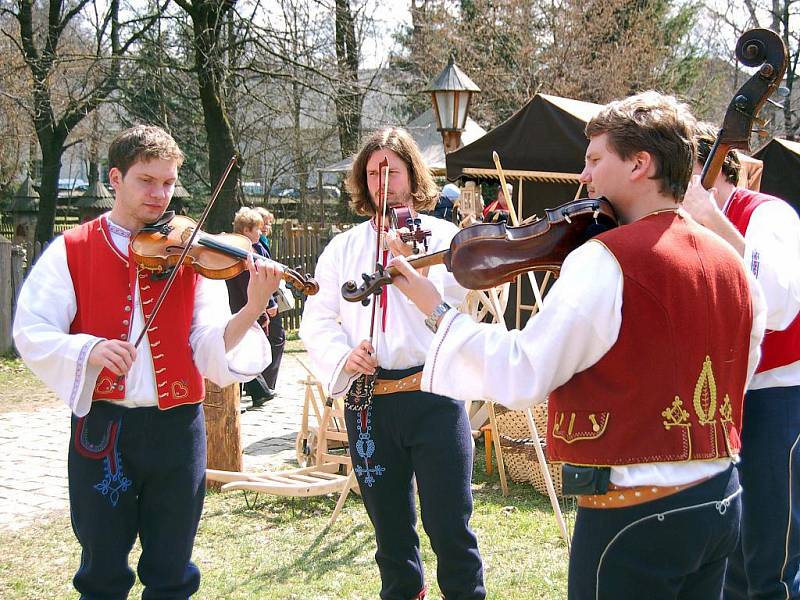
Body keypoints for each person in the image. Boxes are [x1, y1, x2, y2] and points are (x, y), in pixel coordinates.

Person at [389, 91, 767, 599]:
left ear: (640, 163)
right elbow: (742, 368)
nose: (584, 176)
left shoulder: (606, 258)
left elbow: (524, 371)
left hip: (636, 517)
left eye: (593, 160)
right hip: (721, 499)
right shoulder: (733, 261)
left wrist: (436, 310)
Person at [12, 125, 279, 599]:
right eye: (146, 181)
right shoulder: (71, 250)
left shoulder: (191, 252)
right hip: (104, 427)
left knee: (172, 571)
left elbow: (210, 348)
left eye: (169, 183)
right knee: (102, 571)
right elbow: (31, 331)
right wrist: (87, 349)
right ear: (116, 178)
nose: (160, 195)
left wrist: (253, 308)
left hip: (177, 429)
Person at [299, 127, 485, 600]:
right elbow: (318, 317)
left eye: (393, 170)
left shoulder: (442, 238)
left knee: (449, 524)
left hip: (434, 396)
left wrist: (413, 259)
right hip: (369, 401)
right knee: (390, 535)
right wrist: (345, 354)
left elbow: (455, 302)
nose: (384, 181)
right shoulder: (343, 248)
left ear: (412, 176)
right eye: (374, 171)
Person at [683, 123, 800, 600]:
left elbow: (779, 302)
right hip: (719, 396)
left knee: (771, 557)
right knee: (727, 548)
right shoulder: (680, 223)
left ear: (702, 165)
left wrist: (711, 220)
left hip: (777, 394)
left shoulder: (767, 215)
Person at [226, 206, 281, 407]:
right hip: (242, 308)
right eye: (258, 228)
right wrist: (263, 306)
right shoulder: (245, 254)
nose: (262, 231)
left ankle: (254, 393)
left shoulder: (249, 251)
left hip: (242, 307)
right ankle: (259, 392)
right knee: (242, 352)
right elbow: (250, 283)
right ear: (247, 230)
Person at [253, 206, 286, 396]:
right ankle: (265, 386)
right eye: (263, 223)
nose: (267, 227)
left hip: (266, 298)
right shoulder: (256, 246)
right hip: (264, 299)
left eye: (268, 224)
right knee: (275, 338)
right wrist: (271, 302)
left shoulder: (262, 242)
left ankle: (264, 386)